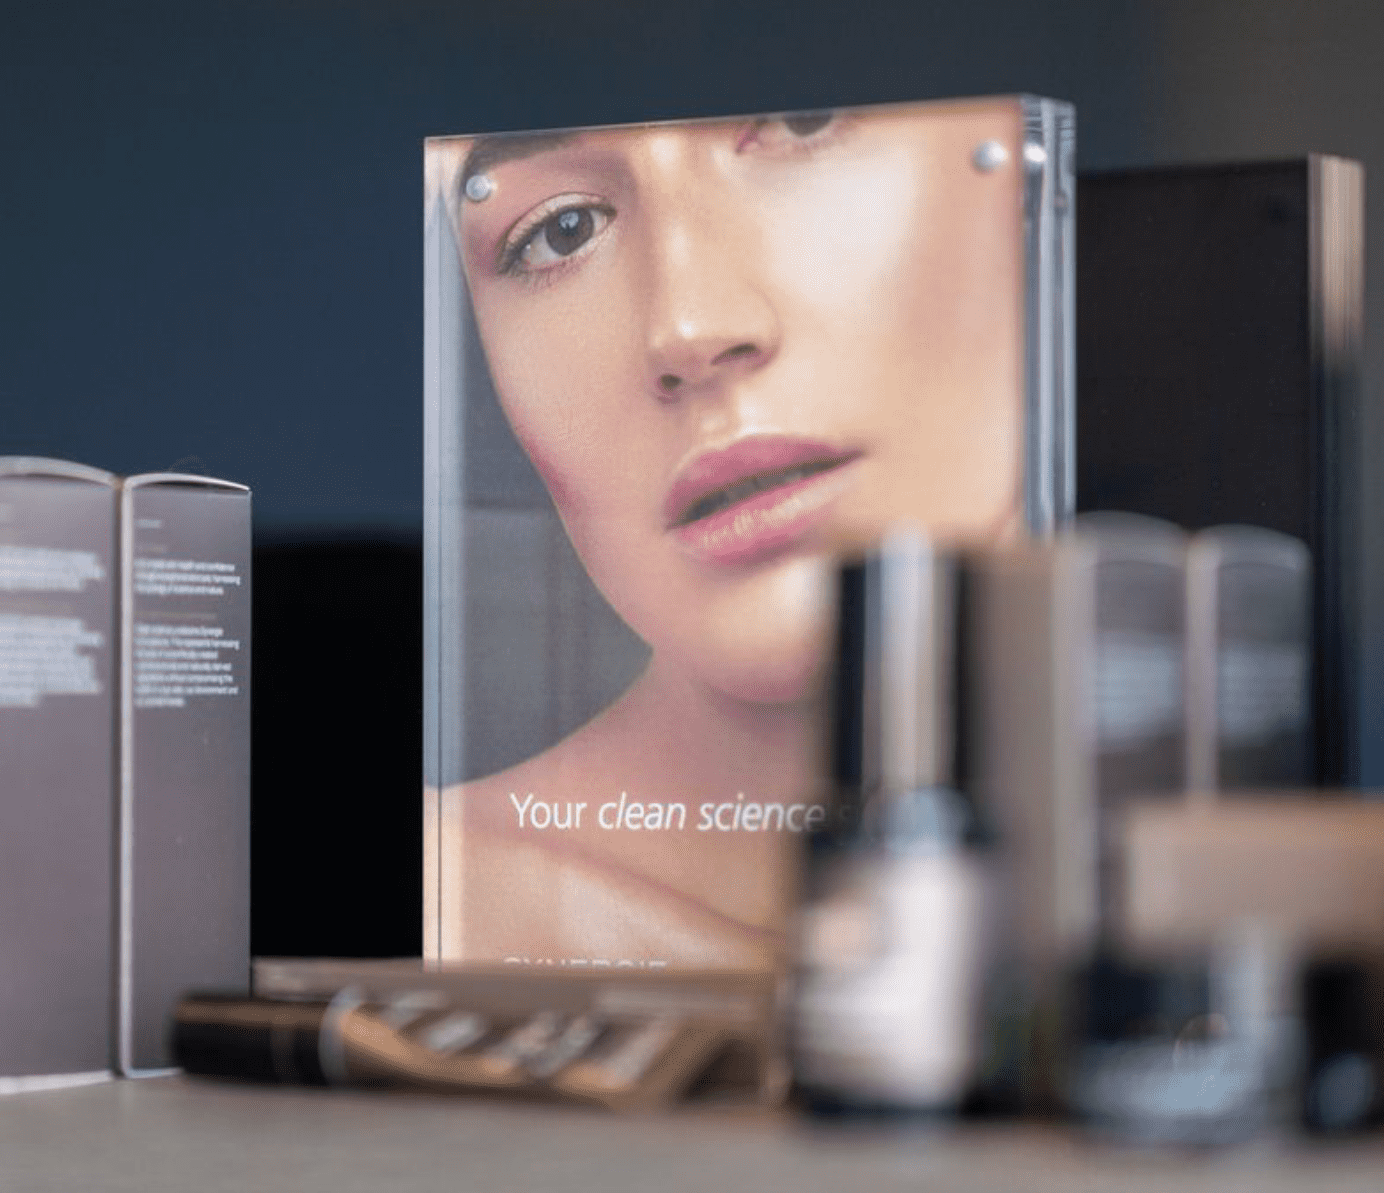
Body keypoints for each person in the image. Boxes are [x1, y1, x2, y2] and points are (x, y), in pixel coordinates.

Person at [427, 98, 1031, 969]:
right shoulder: (451, 908)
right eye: (560, 231)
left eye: (805, 126)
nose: (689, 328)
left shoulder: (1213, 858)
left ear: (1023, 175)